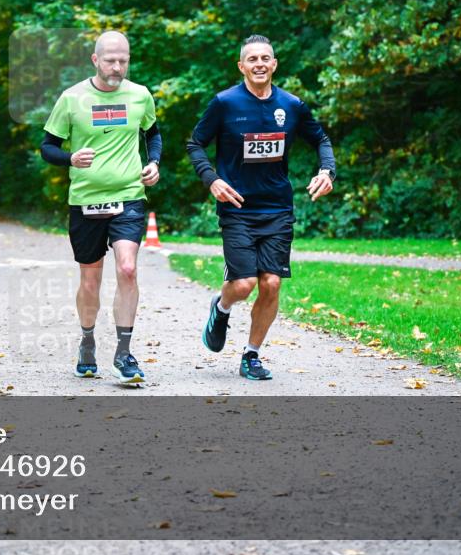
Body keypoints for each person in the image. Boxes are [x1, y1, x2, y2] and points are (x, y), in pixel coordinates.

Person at [187, 34, 336, 381]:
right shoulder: (225, 103)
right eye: (252, 59)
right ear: (241, 66)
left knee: (271, 283)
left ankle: (251, 355)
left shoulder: (292, 105)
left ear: (274, 64)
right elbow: (195, 143)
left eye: (265, 58)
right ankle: (221, 307)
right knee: (243, 284)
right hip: (237, 207)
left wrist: (327, 171)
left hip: (277, 209)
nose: (259, 64)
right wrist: (211, 179)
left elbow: (321, 139)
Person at [40, 30, 162, 385]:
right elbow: (47, 147)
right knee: (90, 281)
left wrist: (153, 162)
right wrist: (70, 158)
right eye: (110, 60)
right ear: (95, 60)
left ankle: (124, 354)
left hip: (129, 196)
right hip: (86, 201)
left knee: (127, 269)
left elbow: (153, 134)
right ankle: (87, 341)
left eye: (123, 60)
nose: (117, 67)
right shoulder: (72, 98)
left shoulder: (140, 95)